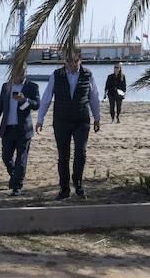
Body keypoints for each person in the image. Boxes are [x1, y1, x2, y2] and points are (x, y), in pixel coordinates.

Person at [36, 48, 101, 199]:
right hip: (61, 121)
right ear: (65, 61)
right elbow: (46, 97)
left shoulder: (87, 74)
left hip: (81, 120)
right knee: (63, 156)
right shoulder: (56, 75)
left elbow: (94, 97)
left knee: (81, 153)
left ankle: (78, 183)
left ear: (80, 59)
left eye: (76, 61)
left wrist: (97, 118)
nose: (73, 64)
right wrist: (40, 119)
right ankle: (64, 189)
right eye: (70, 61)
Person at [0, 63, 41, 195]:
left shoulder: (32, 86)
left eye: (23, 72)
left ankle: (17, 186)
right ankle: (15, 176)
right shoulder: (6, 86)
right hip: (8, 129)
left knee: (21, 159)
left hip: (24, 130)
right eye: (18, 73)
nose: (21, 75)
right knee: (6, 157)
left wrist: (25, 99)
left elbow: (37, 105)